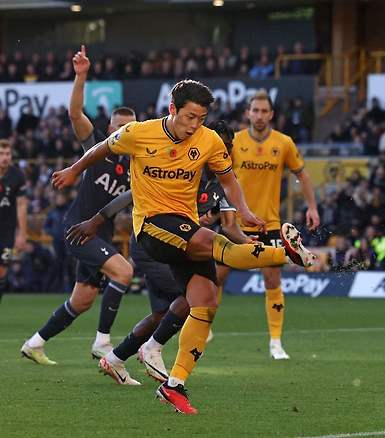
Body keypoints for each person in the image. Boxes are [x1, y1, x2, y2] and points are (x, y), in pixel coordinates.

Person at [51, 79, 316, 414]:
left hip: (185, 226)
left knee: (204, 302)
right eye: (190, 117)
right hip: (151, 226)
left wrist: (246, 210)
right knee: (208, 241)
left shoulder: (209, 141)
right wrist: (75, 170)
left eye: (202, 118)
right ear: (173, 109)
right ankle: (286, 254)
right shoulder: (139, 133)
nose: (196, 125)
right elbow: (102, 147)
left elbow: (229, 180)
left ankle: (174, 385)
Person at [66, 121, 265, 385]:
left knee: (163, 313)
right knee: (192, 298)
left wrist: (249, 243)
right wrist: (96, 220)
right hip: (153, 243)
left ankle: (115, 358)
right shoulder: (184, 165)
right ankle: (152, 348)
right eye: (223, 146)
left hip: (186, 248)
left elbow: (230, 226)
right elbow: (130, 195)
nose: (225, 152)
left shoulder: (220, 186)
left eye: (229, 148)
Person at [21, 46, 135, 365]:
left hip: (102, 236)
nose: (125, 133)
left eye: (131, 129)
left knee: (82, 300)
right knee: (124, 272)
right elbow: (75, 115)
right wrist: (81, 76)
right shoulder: (97, 148)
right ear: (111, 129)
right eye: (120, 128)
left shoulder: (139, 164)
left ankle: (34, 343)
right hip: (79, 230)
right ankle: (102, 342)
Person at [221, 90, 320, 360]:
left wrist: (312, 206)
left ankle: (276, 342)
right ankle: (203, 329)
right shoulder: (235, 142)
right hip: (234, 223)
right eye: (256, 110)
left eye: (265, 111)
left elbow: (302, 174)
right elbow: (219, 176)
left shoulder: (284, 143)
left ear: (271, 114)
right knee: (215, 278)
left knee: (272, 280)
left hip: (269, 224)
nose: (260, 115)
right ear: (247, 113)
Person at [0, 139, 27, 301]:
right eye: (1, 154)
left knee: (2, 270)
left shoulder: (17, 176)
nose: (5, 157)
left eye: (7, 154)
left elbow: (22, 205)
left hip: (7, 232)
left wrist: (22, 234)